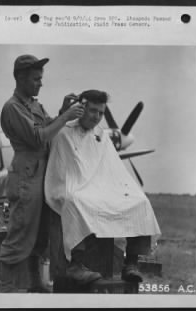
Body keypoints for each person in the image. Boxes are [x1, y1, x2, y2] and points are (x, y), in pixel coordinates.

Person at [44, 90, 161, 285]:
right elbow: (62, 171)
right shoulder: (64, 132)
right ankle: (76, 264)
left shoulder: (101, 136)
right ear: (80, 108)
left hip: (99, 189)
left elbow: (112, 168)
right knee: (76, 202)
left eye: (100, 113)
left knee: (140, 202)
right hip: (70, 187)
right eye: (92, 111)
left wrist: (114, 189)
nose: (96, 117)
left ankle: (130, 263)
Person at [0, 54, 85, 292]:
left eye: (41, 78)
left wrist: (61, 111)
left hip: (42, 175)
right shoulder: (13, 107)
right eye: (36, 79)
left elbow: (49, 127)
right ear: (21, 78)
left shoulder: (33, 105)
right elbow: (38, 138)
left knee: (39, 236)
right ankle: (6, 289)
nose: (40, 83)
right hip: (26, 177)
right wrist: (67, 116)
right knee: (20, 235)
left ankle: (35, 285)